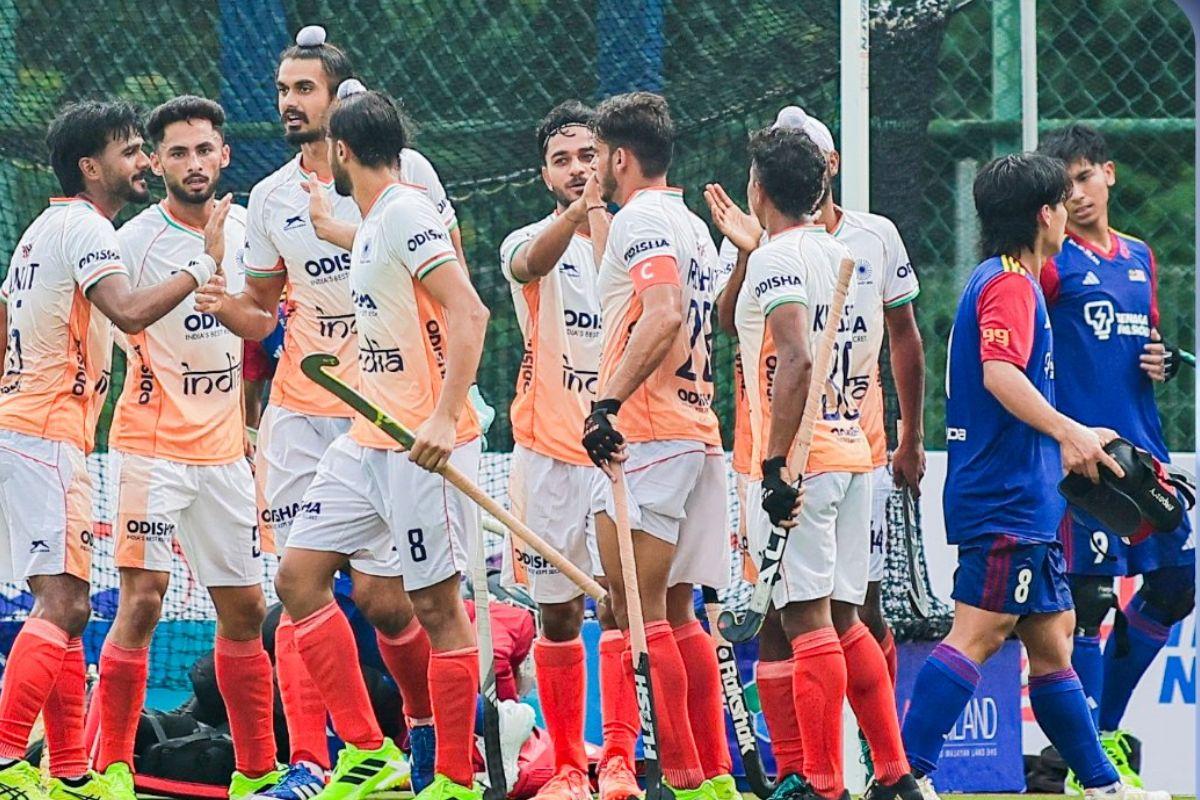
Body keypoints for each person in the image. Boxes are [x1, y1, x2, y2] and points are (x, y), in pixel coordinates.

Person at [193, 26, 461, 798]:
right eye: (281, 91)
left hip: (385, 410)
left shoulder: (405, 178)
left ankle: (426, 735)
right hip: (304, 411)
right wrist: (223, 302)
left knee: (384, 599)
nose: (287, 103)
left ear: (341, 99)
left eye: (302, 89)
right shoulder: (273, 197)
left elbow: (448, 285)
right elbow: (262, 313)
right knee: (294, 583)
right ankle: (320, 758)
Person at [899, 152, 1169, 800]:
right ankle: (903, 777)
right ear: (1044, 215)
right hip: (1005, 497)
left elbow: (1012, 382)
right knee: (980, 632)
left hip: (1023, 496)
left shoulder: (1004, 279)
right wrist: (1067, 432)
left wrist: (1080, 429)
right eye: (1059, 204)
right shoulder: (1012, 284)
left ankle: (1102, 785)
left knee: (1053, 643)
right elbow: (999, 374)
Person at [0, 99, 222, 800]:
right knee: (64, 606)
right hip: (45, 436)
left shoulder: (41, 229)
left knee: (68, 609)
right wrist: (201, 267)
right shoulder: (89, 229)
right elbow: (126, 309)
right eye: (131, 152)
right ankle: (6, 761)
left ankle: (69, 771)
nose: (144, 163)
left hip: (32, 432)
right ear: (92, 167)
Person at [92, 95, 281, 800]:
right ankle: (111, 764)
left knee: (243, 611)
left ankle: (258, 770)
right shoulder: (136, 240)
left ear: (224, 155)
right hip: (150, 448)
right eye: (177, 152)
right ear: (156, 160)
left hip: (227, 455)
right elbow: (114, 318)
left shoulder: (250, 232)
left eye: (205, 150)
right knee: (143, 601)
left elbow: (263, 325)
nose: (194, 163)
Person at [726, 125, 919, 800]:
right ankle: (894, 773)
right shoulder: (841, 253)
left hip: (800, 462)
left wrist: (777, 465)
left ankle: (824, 781)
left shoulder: (780, 260)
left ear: (758, 190)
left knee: (805, 618)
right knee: (844, 617)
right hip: (852, 451)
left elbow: (796, 358)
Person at [581, 91, 734, 800]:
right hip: (695, 432)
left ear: (620, 157)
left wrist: (605, 400)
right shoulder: (694, 226)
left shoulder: (640, 218)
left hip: (646, 434)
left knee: (627, 610)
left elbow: (665, 312)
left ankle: (677, 775)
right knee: (674, 613)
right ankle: (711, 776)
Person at [1037, 123, 1194, 791]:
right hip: (1086, 460)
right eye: (1062, 183)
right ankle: (1087, 769)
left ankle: (1102, 737)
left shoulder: (1140, 256)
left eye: (1083, 176)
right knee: (1091, 600)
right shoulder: (1052, 264)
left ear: (1109, 174)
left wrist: (1162, 362)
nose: (1075, 194)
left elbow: (1143, 346)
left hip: (1144, 454)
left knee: (1174, 588)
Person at [497, 100, 621, 800]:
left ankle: (629, 759)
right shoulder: (534, 239)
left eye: (588, 155)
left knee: (633, 608)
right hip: (548, 452)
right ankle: (572, 766)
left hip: (624, 452)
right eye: (563, 160)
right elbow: (523, 265)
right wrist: (578, 215)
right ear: (545, 174)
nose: (578, 170)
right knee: (559, 614)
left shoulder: (641, 237)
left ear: (611, 158)